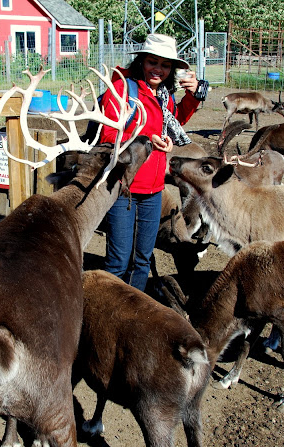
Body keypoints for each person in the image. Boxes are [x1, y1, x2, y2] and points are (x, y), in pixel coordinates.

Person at [99, 33, 201, 291]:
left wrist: (194, 97)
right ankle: (110, 312)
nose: (158, 69)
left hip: (154, 191)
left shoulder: (163, 95)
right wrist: (146, 140)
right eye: (152, 62)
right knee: (118, 261)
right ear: (142, 61)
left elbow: (174, 121)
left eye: (165, 65)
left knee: (142, 260)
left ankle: (134, 310)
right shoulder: (123, 89)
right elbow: (108, 136)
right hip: (124, 188)